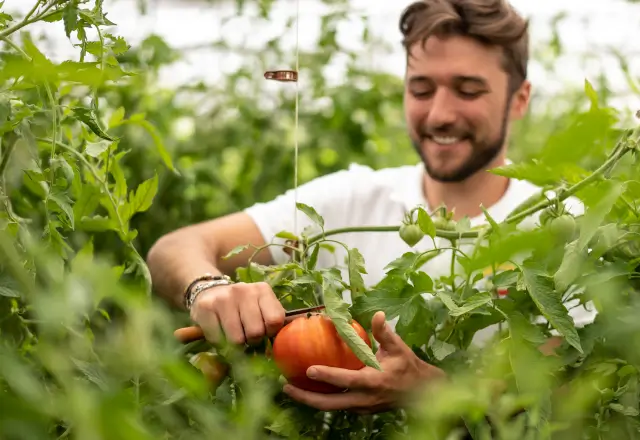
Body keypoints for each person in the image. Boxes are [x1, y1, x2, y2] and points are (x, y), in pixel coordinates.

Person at [147, 0, 592, 414]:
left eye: (468, 90)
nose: (439, 113)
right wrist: (206, 289)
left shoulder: (564, 229)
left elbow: (573, 402)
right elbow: (174, 248)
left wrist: (436, 393)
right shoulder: (354, 200)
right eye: (421, 89)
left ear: (520, 99)